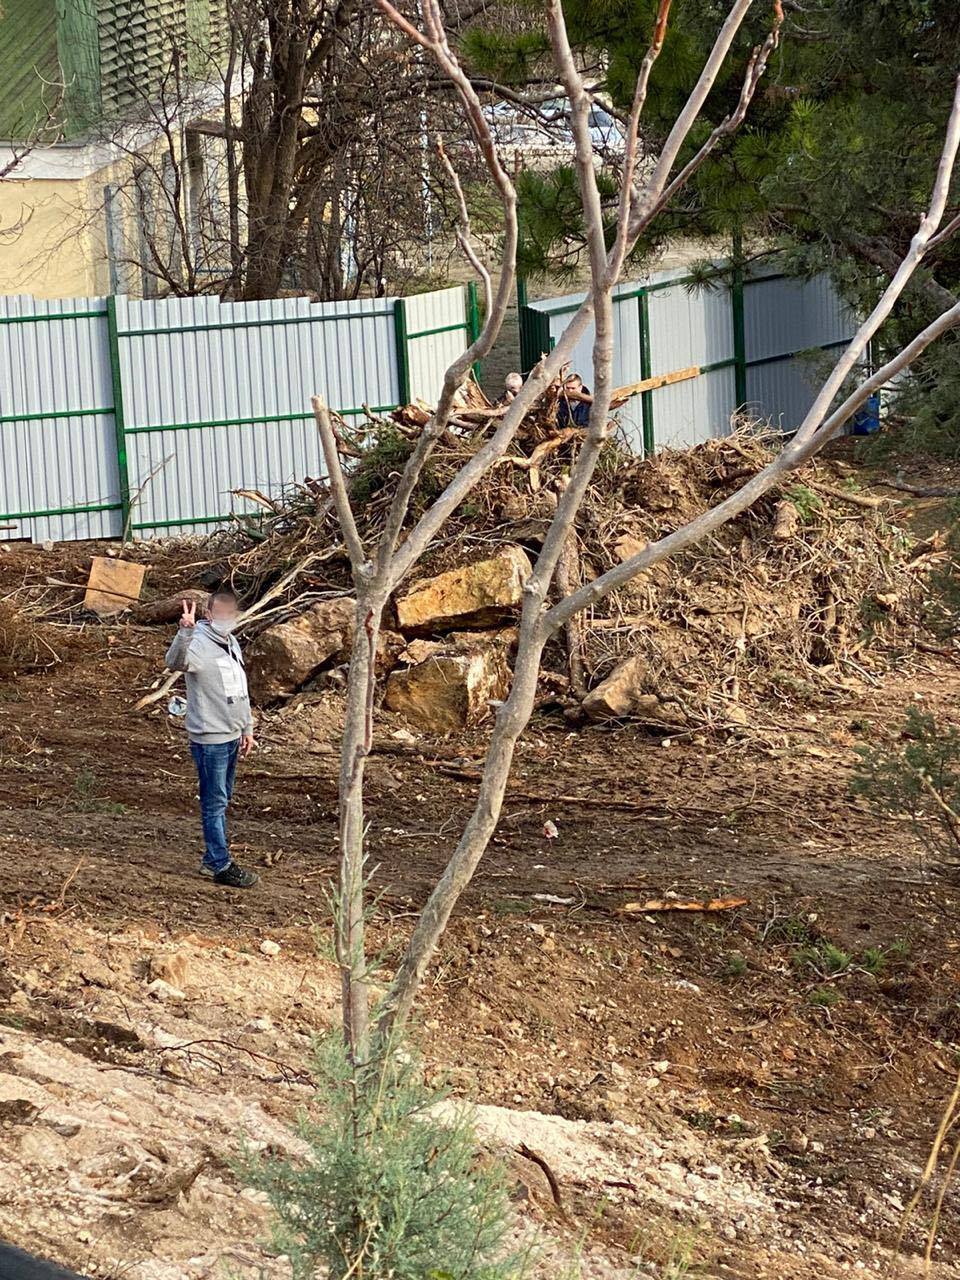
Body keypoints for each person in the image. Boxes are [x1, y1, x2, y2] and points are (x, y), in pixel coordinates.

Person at [165, 590, 259, 888]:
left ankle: (211, 859)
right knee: (214, 802)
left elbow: (239, 690)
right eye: (219, 613)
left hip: (232, 734)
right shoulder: (199, 642)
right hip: (210, 739)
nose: (225, 619)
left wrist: (247, 728)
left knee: (222, 797)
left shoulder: (231, 643)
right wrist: (185, 632)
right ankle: (220, 864)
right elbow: (175, 662)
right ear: (208, 614)